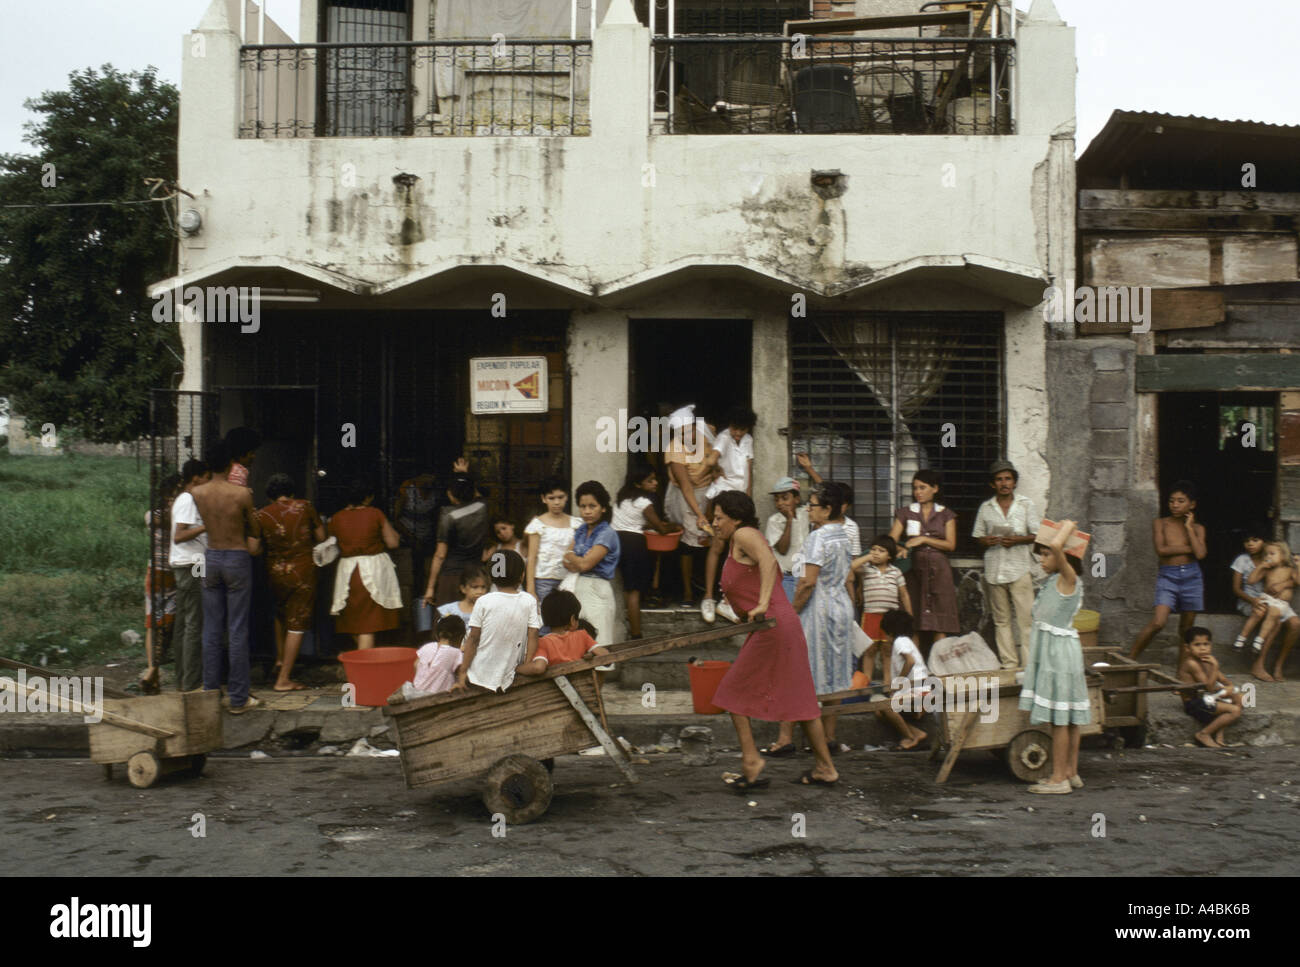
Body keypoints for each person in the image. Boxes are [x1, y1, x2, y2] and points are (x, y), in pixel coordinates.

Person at [707, 492, 838, 790]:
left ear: (736, 518)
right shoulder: (734, 542)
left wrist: (763, 602)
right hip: (777, 626)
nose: (714, 523)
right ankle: (825, 768)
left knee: (730, 691)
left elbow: (768, 561)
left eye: (719, 517)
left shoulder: (744, 533)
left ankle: (752, 760)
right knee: (801, 701)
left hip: (774, 626)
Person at [766, 484, 855, 756]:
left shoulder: (819, 537)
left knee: (798, 669)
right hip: (841, 606)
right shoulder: (843, 535)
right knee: (836, 672)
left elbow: (807, 582)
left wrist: (791, 613)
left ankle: (785, 738)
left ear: (827, 510)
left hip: (819, 609)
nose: (808, 509)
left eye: (813, 505)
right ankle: (828, 736)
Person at [192, 444, 264, 714]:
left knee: (211, 629)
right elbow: (253, 527)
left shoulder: (197, 493)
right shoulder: (242, 493)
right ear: (231, 464)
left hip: (211, 557)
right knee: (237, 630)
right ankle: (238, 698)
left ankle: (210, 692)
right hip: (236, 557)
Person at [1019, 520, 1088, 794]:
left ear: (1064, 557)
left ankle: (1058, 778)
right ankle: (1070, 771)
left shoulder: (1067, 579)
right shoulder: (1054, 583)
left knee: (1060, 718)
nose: (1043, 559)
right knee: (1067, 717)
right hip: (1058, 652)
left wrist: (1067, 526)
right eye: (1042, 554)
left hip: (1058, 654)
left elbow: (1059, 545)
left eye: (1047, 554)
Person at [255, 474, 326, 690]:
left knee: (280, 612)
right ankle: (284, 678)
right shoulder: (305, 507)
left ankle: (279, 659)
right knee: (298, 621)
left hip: (275, 572)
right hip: (302, 571)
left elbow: (256, 548)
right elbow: (321, 537)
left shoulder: (261, 514)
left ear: (270, 496)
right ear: (292, 492)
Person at [972, 460, 1041, 669]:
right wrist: (986, 541)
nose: (1004, 483)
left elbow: (1038, 535)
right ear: (993, 484)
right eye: (999, 479)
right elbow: (977, 536)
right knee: (1001, 621)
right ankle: (1010, 665)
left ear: (1014, 482)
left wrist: (1018, 540)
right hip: (995, 569)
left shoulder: (1025, 504)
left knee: (1026, 621)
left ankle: (1029, 668)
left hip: (1020, 568)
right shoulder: (986, 507)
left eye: (1008, 479)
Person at [1129, 481, 1206, 660]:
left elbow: (1201, 554)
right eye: (1172, 501)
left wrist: (1188, 529)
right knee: (1158, 622)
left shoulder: (1197, 528)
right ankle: (1129, 660)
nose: (1175, 505)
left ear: (1192, 504)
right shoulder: (1161, 523)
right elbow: (1161, 550)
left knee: (1187, 628)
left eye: (1181, 501)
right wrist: (1190, 548)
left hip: (1192, 576)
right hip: (1168, 576)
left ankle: (1183, 672)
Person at [889, 469, 959, 653]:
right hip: (914, 570)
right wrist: (902, 548)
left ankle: (938, 668)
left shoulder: (946, 514)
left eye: (923, 487)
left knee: (940, 619)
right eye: (915, 488)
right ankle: (915, 668)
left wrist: (924, 539)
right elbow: (891, 541)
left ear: (935, 489)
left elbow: (951, 544)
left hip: (939, 571)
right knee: (914, 616)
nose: (918, 492)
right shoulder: (906, 513)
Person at [329, 477, 403, 650]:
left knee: (356, 622)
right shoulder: (375, 514)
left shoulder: (337, 518)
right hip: (372, 570)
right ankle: (366, 670)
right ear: (368, 497)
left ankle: (364, 660)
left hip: (347, 573)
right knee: (367, 625)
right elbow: (393, 542)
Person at [453, 550, 540, 694]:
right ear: (522, 576)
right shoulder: (529, 600)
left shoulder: (483, 601)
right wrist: (526, 663)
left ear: (491, 578)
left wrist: (463, 672)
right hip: (510, 673)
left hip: (480, 674)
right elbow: (533, 634)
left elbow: (473, 639)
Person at [613, 464, 677, 639]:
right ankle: (636, 635)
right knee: (634, 591)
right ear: (638, 484)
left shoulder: (622, 499)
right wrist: (677, 525)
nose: (655, 483)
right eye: (650, 480)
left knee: (629, 589)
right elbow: (661, 529)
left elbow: (638, 522)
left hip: (618, 542)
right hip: (634, 544)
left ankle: (631, 626)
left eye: (655, 479)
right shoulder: (645, 503)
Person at [663, 404, 714, 607]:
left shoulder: (706, 435)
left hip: (709, 493)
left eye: (690, 429)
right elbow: (685, 486)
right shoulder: (674, 448)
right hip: (685, 498)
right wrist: (700, 514)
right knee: (687, 543)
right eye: (682, 432)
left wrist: (709, 507)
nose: (688, 435)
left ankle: (705, 585)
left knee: (708, 541)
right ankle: (687, 592)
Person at [169, 459, 211, 693]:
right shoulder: (188, 499)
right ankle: (192, 681)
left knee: (185, 623)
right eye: (206, 477)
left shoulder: (183, 499)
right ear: (196, 478)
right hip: (191, 564)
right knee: (194, 623)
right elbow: (179, 535)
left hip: (186, 563)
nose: (207, 483)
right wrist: (207, 526)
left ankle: (184, 679)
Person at [563, 480, 622, 645]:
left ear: (603, 508)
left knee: (598, 643)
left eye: (592, 506)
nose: (587, 511)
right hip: (578, 587)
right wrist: (575, 557)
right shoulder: (582, 530)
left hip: (598, 590)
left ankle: (600, 672)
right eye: (583, 507)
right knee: (578, 645)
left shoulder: (607, 533)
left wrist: (574, 557)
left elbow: (584, 565)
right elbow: (565, 560)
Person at [141, 473, 183, 694]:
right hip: (162, 574)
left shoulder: (157, 514)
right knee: (157, 624)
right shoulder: (157, 516)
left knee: (162, 625)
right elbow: (168, 522)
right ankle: (153, 669)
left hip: (163, 573)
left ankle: (153, 670)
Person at [422, 476, 489, 607]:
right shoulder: (483, 507)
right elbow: (477, 495)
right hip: (476, 575)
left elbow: (440, 555)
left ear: (450, 494)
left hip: (452, 576)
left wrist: (430, 588)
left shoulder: (448, 516)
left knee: (449, 621)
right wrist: (465, 475)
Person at [851, 534, 912, 675]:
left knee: (888, 651)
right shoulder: (866, 569)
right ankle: (866, 684)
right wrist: (867, 557)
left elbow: (904, 594)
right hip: (870, 615)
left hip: (890, 618)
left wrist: (909, 615)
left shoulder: (895, 572)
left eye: (881, 551)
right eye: (873, 549)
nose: (876, 553)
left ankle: (887, 686)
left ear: (890, 556)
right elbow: (852, 566)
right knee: (869, 650)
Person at [1177, 626, 1244, 748]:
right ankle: (1204, 733)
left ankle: (1219, 732)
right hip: (1194, 704)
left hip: (1207, 699)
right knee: (1235, 710)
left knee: (1238, 697)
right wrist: (1215, 667)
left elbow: (1226, 681)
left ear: (1211, 645)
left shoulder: (1207, 661)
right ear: (1187, 648)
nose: (1202, 648)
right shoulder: (1191, 663)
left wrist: (1228, 689)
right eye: (1197, 645)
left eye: (1206, 644)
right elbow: (1209, 687)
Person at [516, 590, 610, 676]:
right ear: (573, 620)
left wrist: (516, 669)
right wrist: (592, 654)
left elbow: (538, 668)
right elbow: (606, 657)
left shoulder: (543, 643)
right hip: (582, 686)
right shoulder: (583, 636)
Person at [875, 609, 930, 750]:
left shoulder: (900, 641)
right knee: (879, 711)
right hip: (918, 691)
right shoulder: (906, 641)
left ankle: (909, 737)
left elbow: (910, 661)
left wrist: (898, 683)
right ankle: (917, 733)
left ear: (890, 631)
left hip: (919, 692)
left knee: (882, 705)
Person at [523, 478, 581, 612]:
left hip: (569, 579)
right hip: (543, 580)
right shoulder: (538, 524)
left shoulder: (576, 524)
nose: (556, 502)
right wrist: (531, 588)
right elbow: (531, 557)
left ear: (567, 497)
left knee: (567, 617)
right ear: (543, 499)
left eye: (560, 497)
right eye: (551, 498)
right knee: (546, 618)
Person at [1245, 541, 1297, 681]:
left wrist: (1284, 584)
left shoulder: (1290, 568)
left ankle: (1278, 665)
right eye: (1266, 554)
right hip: (1270, 604)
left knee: (1296, 624)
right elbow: (1251, 580)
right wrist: (1262, 566)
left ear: (1284, 555)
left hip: (1284, 606)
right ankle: (1259, 665)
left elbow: (1297, 580)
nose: (1268, 557)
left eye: (1272, 554)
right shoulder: (1267, 569)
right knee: (1275, 622)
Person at [393, 469, 441, 610]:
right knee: (412, 573)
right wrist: (412, 538)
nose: (430, 480)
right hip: (407, 535)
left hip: (427, 536)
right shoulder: (407, 490)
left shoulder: (434, 492)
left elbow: (436, 517)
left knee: (426, 572)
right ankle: (413, 606)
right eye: (427, 476)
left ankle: (424, 602)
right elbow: (396, 519)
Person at [764, 477, 810, 606]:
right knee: (789, 614)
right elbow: (782, 550)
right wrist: (789, 520)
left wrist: (809, 468)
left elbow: (822, 500)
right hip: (786, 578)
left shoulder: (804, 514)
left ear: (796, 499)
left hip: (803, 576)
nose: (780, 503)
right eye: (776, 499)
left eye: (785, 498)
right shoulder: (774, 521)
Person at [1229, 525, 1268, 653]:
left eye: (1255, 540)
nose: (1250, 544)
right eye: (1247, 541)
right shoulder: (1242, 560)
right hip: (1247, 601)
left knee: (1274, 617)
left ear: (1264, 542)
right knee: (1259, 611)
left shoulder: (1270, 559)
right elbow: (1236, 589)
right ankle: (1243, 642)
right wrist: (1253, 601)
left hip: (1267, 600)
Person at [408, 614, 466, 696]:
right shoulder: (456, 653)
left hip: (417, 690)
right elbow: (462, 672)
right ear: (459, 637)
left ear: (437, 634)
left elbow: (415, 664)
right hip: (438, 694)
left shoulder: (427, 646)